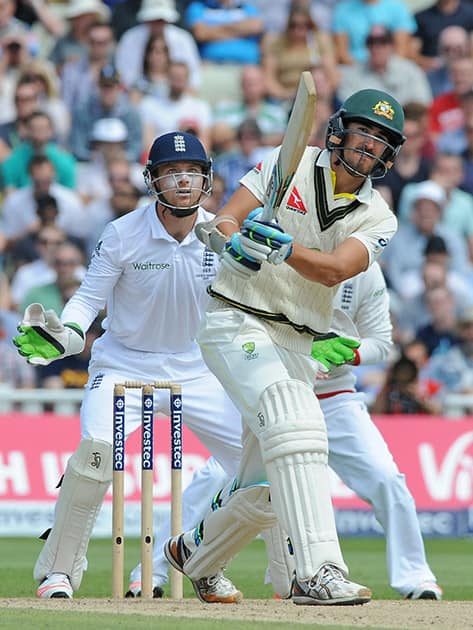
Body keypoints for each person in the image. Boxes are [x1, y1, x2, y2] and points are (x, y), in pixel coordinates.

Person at [163, 88, 406, 605]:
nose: (370, 145)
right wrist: (235, 242)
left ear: (390, 155)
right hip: (236, 320)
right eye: (365, 131)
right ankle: (315, 573)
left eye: (383, 140)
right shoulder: (285, 162)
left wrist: (286, 249)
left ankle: (194, 553)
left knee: (268, 485)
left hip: (297, 343)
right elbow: (226, 218)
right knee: (299, 427)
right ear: (340, 131)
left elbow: (339, 267)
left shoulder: (379, 217)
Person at [12, 131, 244, 600]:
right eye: (171, 172)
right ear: (152, 180)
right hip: (123, 364)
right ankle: (58, 571)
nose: (183, 181)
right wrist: (64, 335)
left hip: (196, 369)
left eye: (193, 172)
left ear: (207, 178)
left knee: (255, 467)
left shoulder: (220, 234)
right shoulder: (122, 233)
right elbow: (87, 300)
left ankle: (196, 561)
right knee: (94, 457)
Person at [145, 263, 442, 601]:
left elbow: (382, 344)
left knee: (386, 478)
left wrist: (344, 350)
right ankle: (155, 569)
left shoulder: (365, 267)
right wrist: (300, 350)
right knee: (245, 486)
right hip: (273, 390)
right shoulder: (282, 253)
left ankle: (416, 577)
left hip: (335, 399)